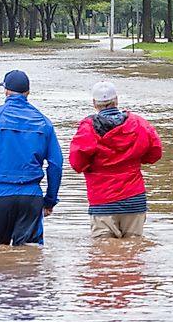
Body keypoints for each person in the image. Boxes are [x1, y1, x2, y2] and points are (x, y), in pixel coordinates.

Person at [0, 69, 63, 246]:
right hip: (31, 195)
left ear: (5, 91)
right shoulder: (44, 121)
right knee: (29, 255)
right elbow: (56, 165)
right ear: (28, 92)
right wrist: (49, 200)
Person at [69, 81, 163, 239]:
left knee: (103, 257)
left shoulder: (88, 128)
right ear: (117, 100)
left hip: (103, 201)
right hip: (134, 200)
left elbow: (77, 164)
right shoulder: (138, 123)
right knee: (134, 255)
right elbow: (155, 153)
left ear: (94, 103)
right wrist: (134, 158)